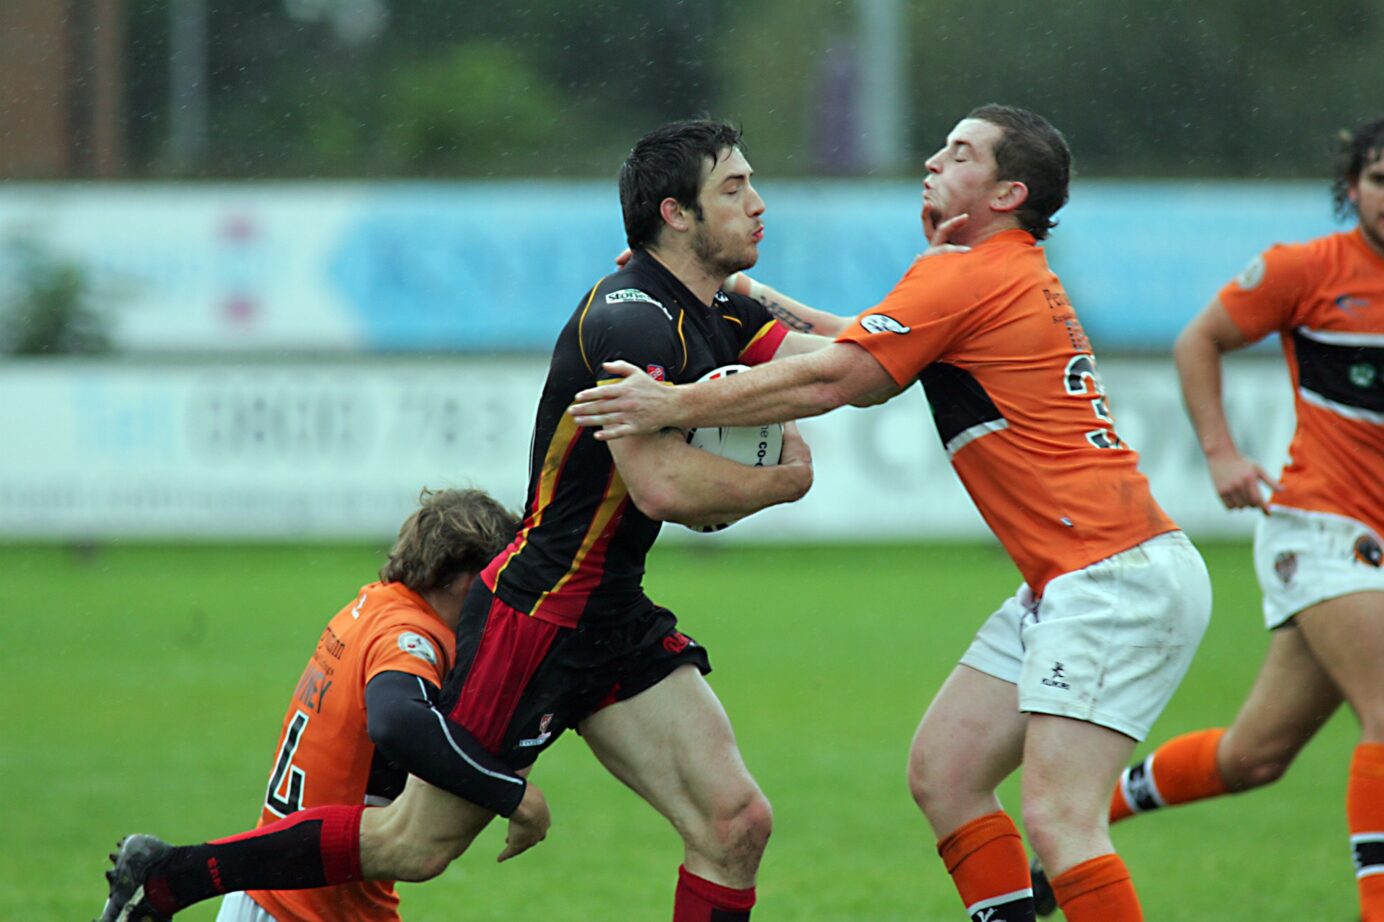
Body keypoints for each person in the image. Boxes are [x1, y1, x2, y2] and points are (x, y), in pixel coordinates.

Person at [99, 118, 820, 922]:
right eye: (735, 187)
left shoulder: (714, 309)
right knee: (416, 844)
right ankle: (172, 877)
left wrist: (763, 296)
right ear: (674, 214)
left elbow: (851, 361)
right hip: (537, 612)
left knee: (734, 824)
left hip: (608, 607)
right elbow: (659, 486)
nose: (759, 203)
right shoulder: (632, 321)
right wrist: (785, 484)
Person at [568, 104, 1213, 922]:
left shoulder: (966, 272)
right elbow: (858, 350)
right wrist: (744, 291)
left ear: (1008, 192)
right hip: (1084, 577)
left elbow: (843, 381)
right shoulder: (986, 270)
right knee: (945, 774)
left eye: (961, 154)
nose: (933, 162)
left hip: (1111, 578)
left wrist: (674, 402)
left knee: (1061, 818)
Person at [1028, 116, 1384, 920]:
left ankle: (1091, 815)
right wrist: (1222, 453)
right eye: (1379, 179)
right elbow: (1202, 340)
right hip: (1323, 528)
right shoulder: (1309, 270)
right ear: (1352, 187)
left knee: (1253, 757)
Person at [98, 486, 546, 922]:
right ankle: (170, 877)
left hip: (282, 889)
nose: (496, 603)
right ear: (468, 578)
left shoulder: (371, 607)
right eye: (495, 584)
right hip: (310, 905)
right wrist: (510, 794)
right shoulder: (407, 636)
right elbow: (398, 723)